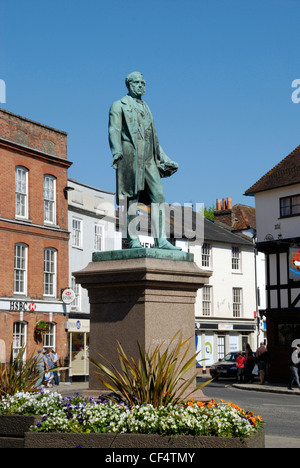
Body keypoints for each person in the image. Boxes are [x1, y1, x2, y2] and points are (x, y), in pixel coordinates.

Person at [108, 71, 181, 250]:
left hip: (149, 159)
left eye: (143, 83)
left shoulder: (147, 107)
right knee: (131, 198)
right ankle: (133, 239)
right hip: (130, 155)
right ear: (129, 85)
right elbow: (114, 130)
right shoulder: (118, 105)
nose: (141, 85)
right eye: (137, 82)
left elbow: (154, 138)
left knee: (158, 196)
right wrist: (117, 151)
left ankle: (161, 240)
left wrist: (164, 158)